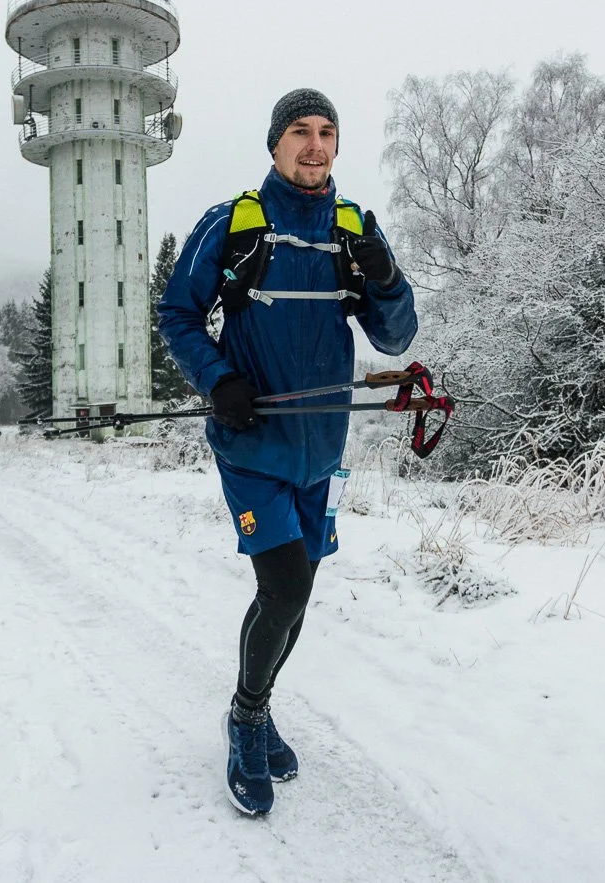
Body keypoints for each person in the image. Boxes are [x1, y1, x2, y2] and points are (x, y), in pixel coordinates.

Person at [158, 88, 417, 816]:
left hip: (322, 453)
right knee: (285, 589)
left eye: (327, 131)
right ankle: (246, 721)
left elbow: (395, 337)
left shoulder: (352, 230)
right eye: (300, 130)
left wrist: (385, 278)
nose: (315, 144)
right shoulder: (234, 224)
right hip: (252, 445)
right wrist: (218, 380)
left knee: (297, 593)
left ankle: (259, 703)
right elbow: (176, 313)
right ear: (275, 144)